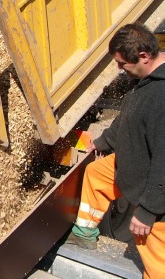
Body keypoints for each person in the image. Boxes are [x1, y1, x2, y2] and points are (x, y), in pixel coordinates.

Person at [67, 23, 165, 278]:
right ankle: (84, 233)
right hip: (132, 167)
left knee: (155, 258)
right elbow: (127, 119)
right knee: (97, 172)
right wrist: (102, 142)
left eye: (123, 64)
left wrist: (147, 211)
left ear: (144, 56)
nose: (119, 69)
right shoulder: (145, 81)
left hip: (155, 192)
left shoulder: (162, 95)